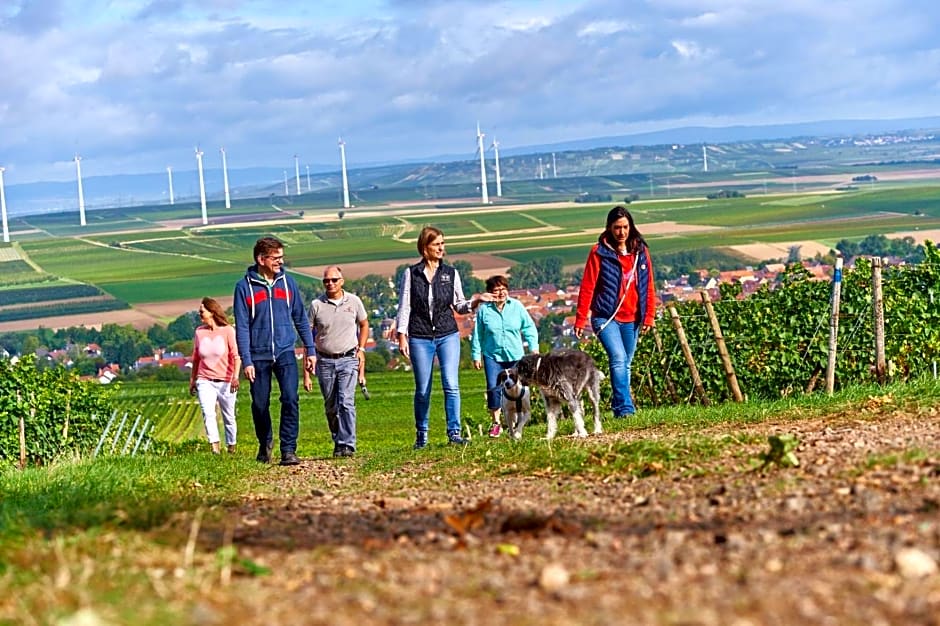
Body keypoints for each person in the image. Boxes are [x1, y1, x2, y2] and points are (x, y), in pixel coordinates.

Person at [396, 226, 491, 449]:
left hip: (447, 333)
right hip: (420, 335)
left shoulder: (451, 273)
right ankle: (422, 434)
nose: (441, 248)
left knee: (451, 383)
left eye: (443, 243)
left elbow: (459, 305)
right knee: (423, 388)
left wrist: (476, 301)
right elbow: (405, 306)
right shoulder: (411, 274)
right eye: (437, 244)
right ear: (425, 248)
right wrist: (402, 335)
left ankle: (454, 432)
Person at [234, 236, 316, 466]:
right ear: (261, 259)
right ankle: (265, 442)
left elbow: (300, 318)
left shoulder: (288, 284)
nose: (281, 261)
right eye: (276, 257)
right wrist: (246, 360)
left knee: (290, 398)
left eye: (282, 257)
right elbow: (241, 326)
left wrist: (310, 349)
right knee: (260, 403)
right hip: (257, 355)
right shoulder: (244, 288)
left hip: (285, 351)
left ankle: (288, 449)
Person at [574, 206, 656, 419]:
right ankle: (626, 409)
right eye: (617, 227)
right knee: (618, 358)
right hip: (605, 316)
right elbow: (588, 286)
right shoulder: (598, 252)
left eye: (625, 227)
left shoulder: (641, 252)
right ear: (609, 228)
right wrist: (581, 319)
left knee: (626, 364)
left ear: (631, 227)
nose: (622, 232)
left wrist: (649, 316)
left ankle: (619, 406)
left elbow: (648, 286)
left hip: (633, 317)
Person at [302, 266, 368, 458]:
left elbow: (364, 324)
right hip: (325, 361)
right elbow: (308, 335)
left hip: (348, 358)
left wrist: (361, 348)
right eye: (326, 281)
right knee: (331, 405)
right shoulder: (316, 305)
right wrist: (307, 370)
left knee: (346, 402)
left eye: (334, 280)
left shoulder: (354, 302)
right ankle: (338, 438)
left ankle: (348, 444)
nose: (330, 284)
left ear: (342, 281)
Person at [470, 274, 539, 438]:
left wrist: (534, 348)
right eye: (496, 290)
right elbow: (478, 334)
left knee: (519, 388)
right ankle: (496, 423)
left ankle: (517, 419)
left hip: (515, 354)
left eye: (503, 289)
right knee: (494, 388)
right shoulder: (484, 311)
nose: (501, 293)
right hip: (492, 355)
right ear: (490, 293)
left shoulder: (516, 306)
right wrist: (476, 355)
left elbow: (529, 327)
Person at [189, 297, 240, 454]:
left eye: (202, 311)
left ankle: (231, 446)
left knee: (229, 416)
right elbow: (196, 358)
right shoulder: (199, 332)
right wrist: (193, 380)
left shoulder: (228, 331)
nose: (199, 313)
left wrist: (235, 377)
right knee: (208, 413)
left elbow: (236, 356)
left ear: (212, 312)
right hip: (205, 380)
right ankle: (215, 447)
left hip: (226, 380)